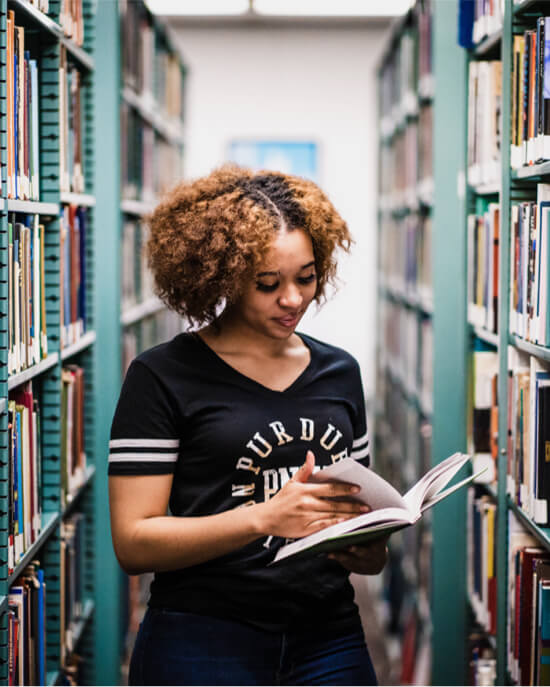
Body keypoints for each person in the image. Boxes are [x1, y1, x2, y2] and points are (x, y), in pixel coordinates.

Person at [108, 164, 388, 686]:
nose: (293, 299)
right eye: (267, 283)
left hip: (329, 633)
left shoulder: (340, 372)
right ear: (222, 276)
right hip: (202, 637)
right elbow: (133, 542)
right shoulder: (162, 375)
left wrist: (367, 545)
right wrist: (264, 518)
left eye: (306, 277)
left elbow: (361, 533)